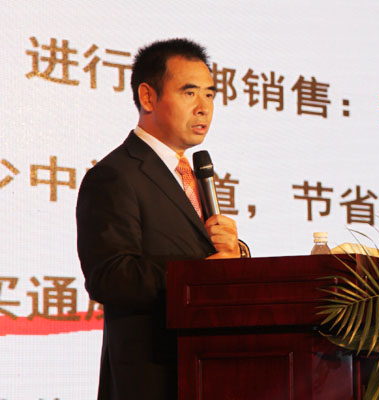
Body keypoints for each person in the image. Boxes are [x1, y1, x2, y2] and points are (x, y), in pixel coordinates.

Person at [76, 38, 246, 400]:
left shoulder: (194, 176)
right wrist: (198, 275)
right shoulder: (115, 175)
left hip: (208, 373)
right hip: (152, 378)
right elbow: (110, 276)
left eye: (210, 95)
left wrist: (235, 254)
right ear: (148, 97)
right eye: (190, 93)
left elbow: (194, 250)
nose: (204, 108)